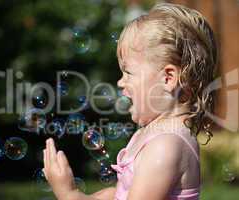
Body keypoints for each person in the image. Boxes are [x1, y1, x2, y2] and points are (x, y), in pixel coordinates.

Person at [43, 3, 217, 200]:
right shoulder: (151, 135)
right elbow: (119, 193)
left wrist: (67, 195)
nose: (120, 81)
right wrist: (79, 196)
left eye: (128, 72)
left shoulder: (166, 145)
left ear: (167, 78)